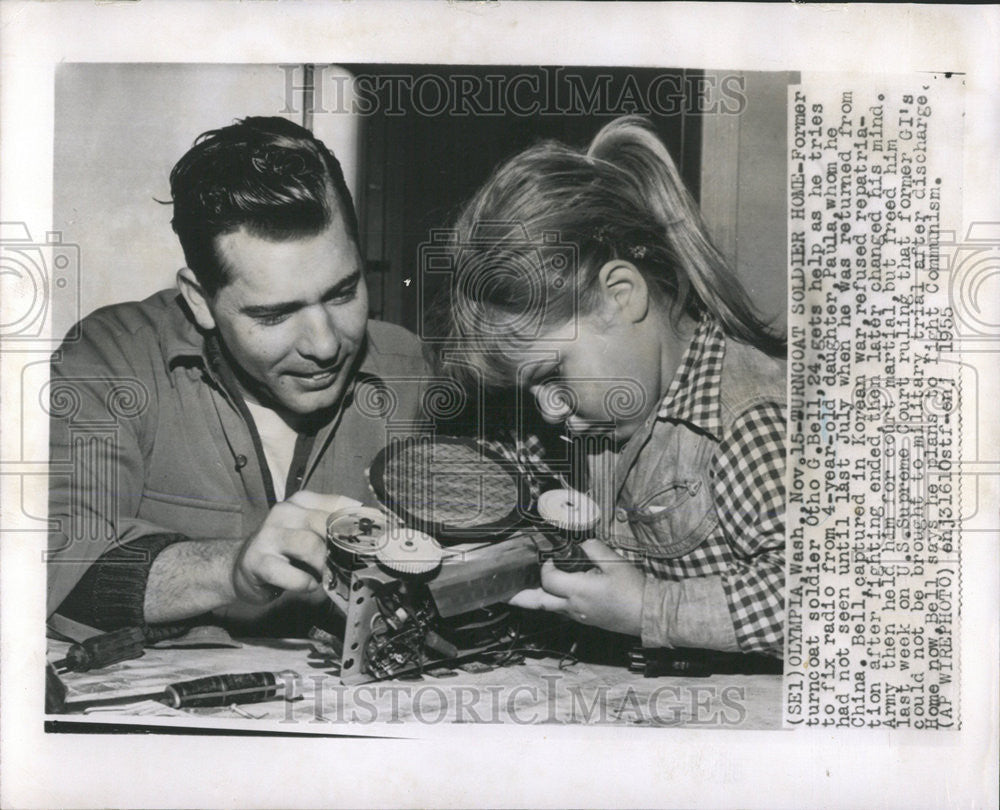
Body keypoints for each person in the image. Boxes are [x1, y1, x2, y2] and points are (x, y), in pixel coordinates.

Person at [47, 117, 430, 638]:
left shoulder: (410, 371)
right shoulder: (111, 360)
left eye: (343, 292)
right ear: (200, 301)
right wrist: (230, 570)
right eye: (274, 315)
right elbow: (47, 566)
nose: (324, 344)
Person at [443, 116, 787, 656]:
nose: (550, 411)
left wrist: (649, 608)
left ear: (621, 295)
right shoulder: (604, 416)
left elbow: (827, 599)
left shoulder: (748, 421)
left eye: (552, 375)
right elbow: (506, 471)